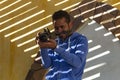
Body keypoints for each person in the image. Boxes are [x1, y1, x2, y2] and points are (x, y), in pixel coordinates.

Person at [36, 10, 88, 80]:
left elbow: (78, 62)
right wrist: (43, 47)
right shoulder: (54, 42)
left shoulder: (80, 39)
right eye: (56, 28)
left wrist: (56, 48)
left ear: (70, 24)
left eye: (62, 27)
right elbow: (47, 65)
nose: (59, 30)